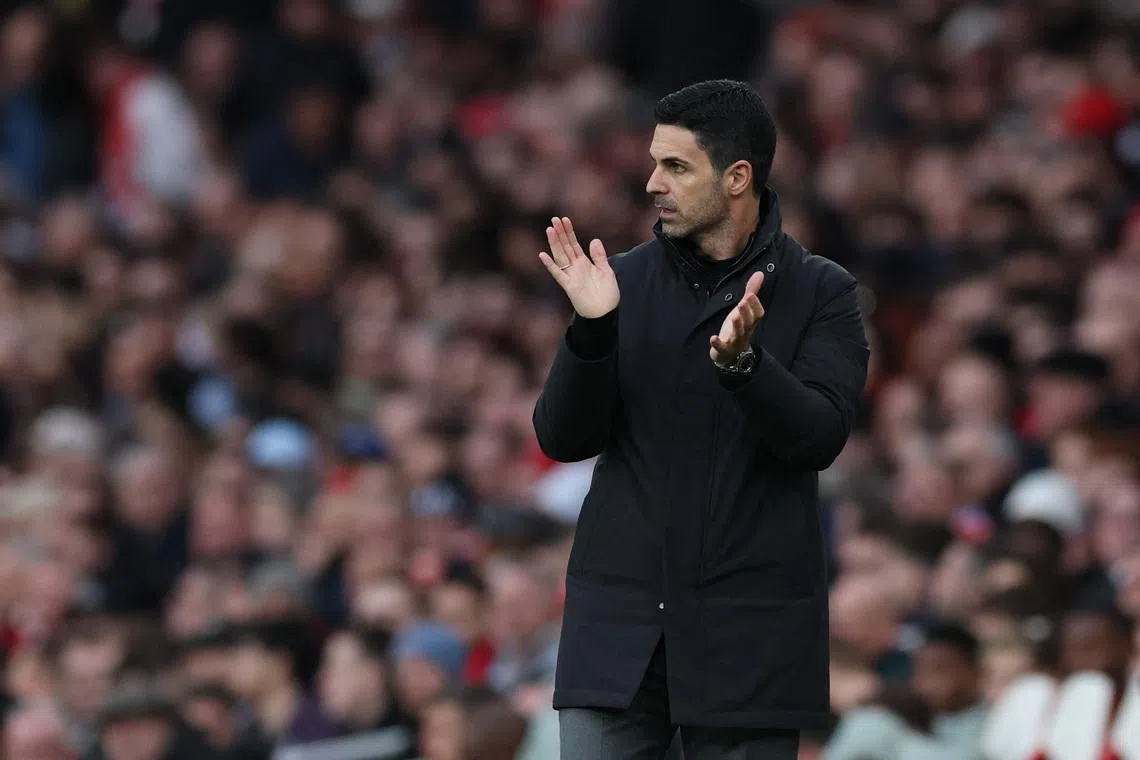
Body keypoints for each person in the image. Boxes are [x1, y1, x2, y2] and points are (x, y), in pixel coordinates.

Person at [533, 79, 870, 758]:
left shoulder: (821, 292)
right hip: (620, 629)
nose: (654, 182)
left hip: (749, 638)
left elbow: (819, 437)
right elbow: (562, 438)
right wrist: (592, 332)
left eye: (677, 167)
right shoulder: (618, 281)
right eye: (655, 163)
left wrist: (747, 368)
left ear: (737, 176)